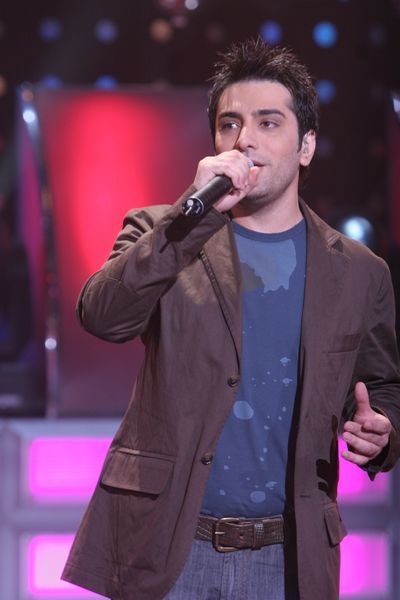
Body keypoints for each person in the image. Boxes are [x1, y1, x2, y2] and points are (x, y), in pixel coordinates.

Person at [62, 38, 400, 599]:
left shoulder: (361, 272)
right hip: (169, 549)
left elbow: (383, 386)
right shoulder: (163, 231)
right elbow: (103, 315)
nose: (245, 139)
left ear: (307, 146)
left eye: (269, 123)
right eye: (230, 124)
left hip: (289, 556)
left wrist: (383, 429)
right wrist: (189, 216)